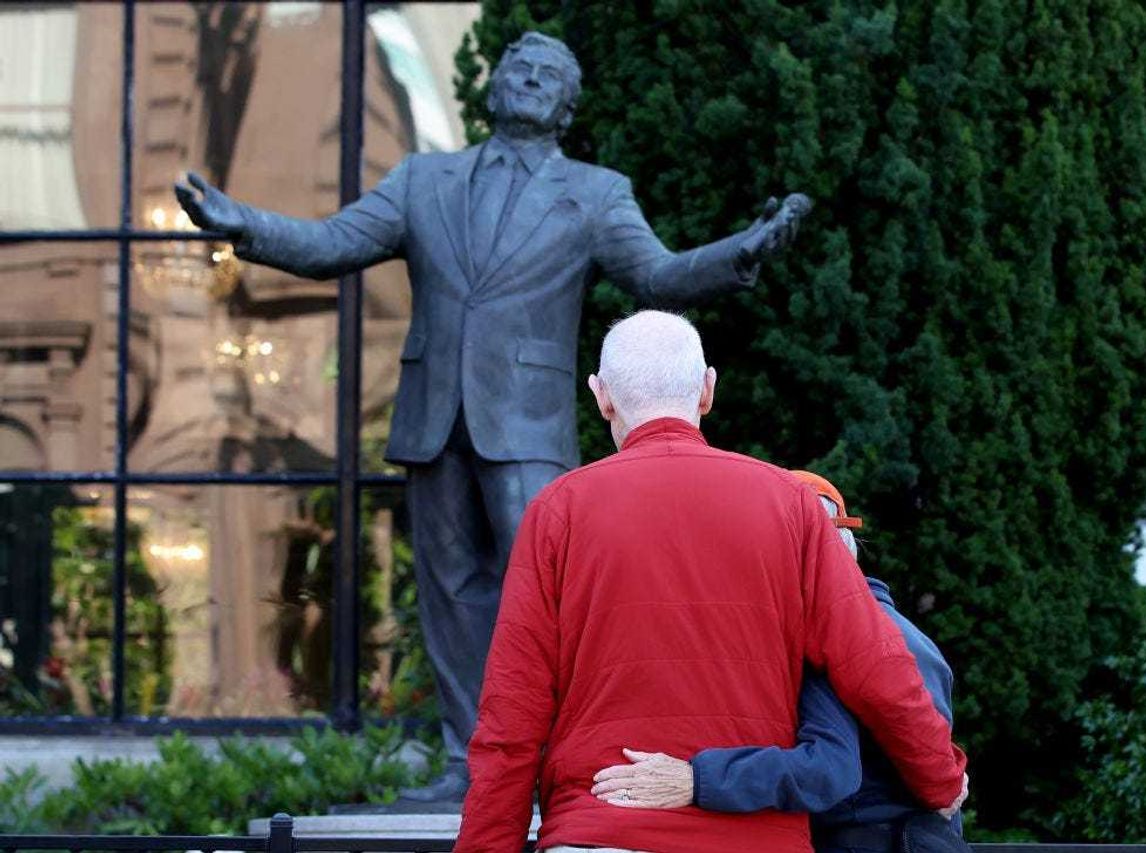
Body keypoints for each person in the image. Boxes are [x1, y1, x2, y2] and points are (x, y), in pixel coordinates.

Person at [174, 32, 811, 804]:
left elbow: (658, 274)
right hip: (433, 418)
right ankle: (468, 764)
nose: (531, 80)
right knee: (449, 596)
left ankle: (561, 759)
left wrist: (742, 250)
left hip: (528, 425)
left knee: (550, 594)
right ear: (495, 86)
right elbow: (332, 244)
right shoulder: (424, 179)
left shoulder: (596, 191)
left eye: (549, 76)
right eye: (520, 68)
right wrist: (238, 220)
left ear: (567, 106)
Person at [455, 311, 966, 853]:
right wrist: (939, 776)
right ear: (707, 390)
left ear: (601, 396)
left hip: (601, 830)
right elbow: (877, 668)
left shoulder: (558, 510)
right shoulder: (790, 505)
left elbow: (510, 721)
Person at [590, 471, 971, 853]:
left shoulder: (833, 643)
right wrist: (947, 781)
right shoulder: (909, 633)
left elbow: (827, 770)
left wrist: (694, 779)